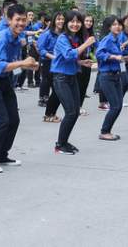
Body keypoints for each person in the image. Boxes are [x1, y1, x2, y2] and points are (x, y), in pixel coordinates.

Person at [0, 4, 38, 173]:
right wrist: (22, 63)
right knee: (2, 121)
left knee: (14, 120)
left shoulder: (17, 39)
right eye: (17, 20)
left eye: (23, 20)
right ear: (8, 20)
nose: (21, 23)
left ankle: (1, 155)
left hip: (5, 81)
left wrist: (30, 66)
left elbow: (13, 63)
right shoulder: (2, 37)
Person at [51, 11, 96, 154]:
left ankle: (64, 142)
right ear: (66, 23)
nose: (75, 24)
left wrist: (81, 62)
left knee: (75, 111)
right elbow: (69, 54)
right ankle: (59, 145)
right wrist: (87, 43)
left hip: (71, 77)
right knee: (71, 112)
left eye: (78, 22)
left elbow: (71, 58)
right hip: (61, 78)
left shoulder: (75, 38)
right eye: (72, 21)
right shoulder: (63, 38)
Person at [96, 15, 125, 141]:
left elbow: (119, 57)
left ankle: (107, 130)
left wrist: (125, 58)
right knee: (115, 106)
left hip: (116, 75)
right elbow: (99, 54)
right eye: (114, 24)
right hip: (107, 76)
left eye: (118, 24)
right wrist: (114, 57)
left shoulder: (117, 39)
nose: (117, 26)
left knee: (118, 105)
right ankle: (104, 131)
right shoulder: (107, 39)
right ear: (108, 27)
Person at [38, 12, 64, 122]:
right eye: (58, 19)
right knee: (57, 89)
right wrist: (52, 56)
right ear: (54, 21)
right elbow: (41, 49)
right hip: (49, 62)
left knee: (58, 90)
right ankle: (48, 114)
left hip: (60, 63)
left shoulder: (65, 34)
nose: (61, 21)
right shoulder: (47, 34)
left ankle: (51, 113)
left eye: (63, 19)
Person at [77, 14, 95, 115]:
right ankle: (76, 106)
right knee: (78, 84)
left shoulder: (91, 35)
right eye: (87, 21)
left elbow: (93, 49)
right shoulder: (79, 34)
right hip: (79, 61)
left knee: (84, 84)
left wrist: (94, 58)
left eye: (90, 21)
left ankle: (80, 106)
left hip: (88, 61)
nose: (88, 23)